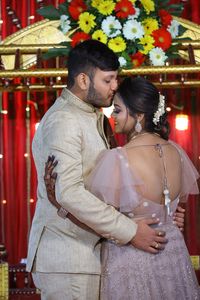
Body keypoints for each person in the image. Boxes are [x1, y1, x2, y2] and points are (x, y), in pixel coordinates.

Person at [26, 40, 170, 300]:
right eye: (108, 80)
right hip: (69, 259)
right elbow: (69, 193)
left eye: (116, 79)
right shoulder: (64, 121)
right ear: (83, 80)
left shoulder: (93, 118)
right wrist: (130, 231)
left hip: (88, 253)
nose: (115, 87)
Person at [44, 77, 200, 299]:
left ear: (139, 116)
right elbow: (175, 212)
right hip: (173, 255)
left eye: (117, 110)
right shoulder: (177, 152)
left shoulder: (119, 158)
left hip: (132, 259)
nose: (112, 117)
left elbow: (98, 221)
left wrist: (58, 203)